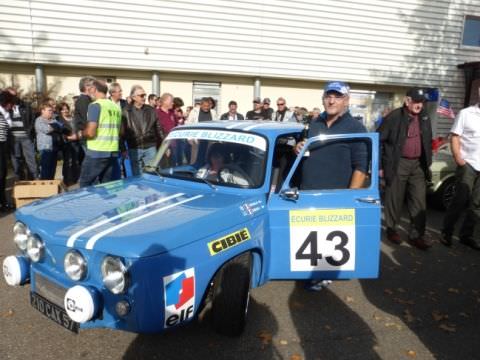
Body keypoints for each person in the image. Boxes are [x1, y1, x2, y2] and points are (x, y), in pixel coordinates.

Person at [295, 81, 369, 291]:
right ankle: (310, 272)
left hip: (335, 197)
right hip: (308, 192)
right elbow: (304, 149)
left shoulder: (355, 127)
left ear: (346, 101)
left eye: (337, 96)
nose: (331, 100)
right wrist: (298, 148)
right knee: (309, 237)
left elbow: (361, 168)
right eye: (328, 96)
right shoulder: (314, 123)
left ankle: (322, 276)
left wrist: (349, 199)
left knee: (328, 240)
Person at [378, 87, 433, 250]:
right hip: (398, 162)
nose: (419, 105)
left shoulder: (424, 116)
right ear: (407, 101)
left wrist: (428, 160)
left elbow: (427, 140)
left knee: (419, 201)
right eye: (416, 101)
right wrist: (381, 166)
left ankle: (417, 235)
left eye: (422, 102)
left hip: (418, 164)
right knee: (394, 198)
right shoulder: (394, 117)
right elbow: (378, 141)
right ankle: (392, 229)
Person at [440, 95, 480, 250]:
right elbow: (455, 137)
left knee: (477, 204)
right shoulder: (466, 113)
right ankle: (446, 233)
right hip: (468, 163)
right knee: (460, 200)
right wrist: (459, 158)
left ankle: (466, 235)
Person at [70, 80, 122, 187]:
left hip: (97, 152)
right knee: (106, 186)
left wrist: (79, 134)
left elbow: (90, 132)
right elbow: (122, 131)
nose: (89, 92)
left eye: (90, 89)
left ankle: (89, 204)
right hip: (112, 152)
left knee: (85, 185)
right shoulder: (115, 107)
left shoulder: (95, 105)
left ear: (94, 89)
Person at [121, 85, 163, 176]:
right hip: (134, 147)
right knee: (137, 176)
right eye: (141, 95)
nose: (144, 97)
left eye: (145, 95)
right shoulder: (125, 111)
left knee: (153, 174)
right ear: (133, 97)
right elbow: (122, 131)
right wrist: (123, 148)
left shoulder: (151, 110)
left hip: (150, 147)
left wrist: (163, 145)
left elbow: (158, 128)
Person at [6, 87, 38, 180]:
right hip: (13, 139)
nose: (14, 97)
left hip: (26, 137)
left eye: (15, 95)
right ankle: (20, 181)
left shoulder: (26, 105)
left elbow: (33, 119)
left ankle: (33, 180)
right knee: (16, 160)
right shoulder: (5, 107)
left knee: (31, 160)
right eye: (11, 95)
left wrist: (29, 130)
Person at [72, 76, 96, 166]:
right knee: (92, 163)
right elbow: (88, 120)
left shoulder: (88, 100)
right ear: (87, 87)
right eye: (93, 86)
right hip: (87, 136)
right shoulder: (83, 100)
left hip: (89, 135)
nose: (95, 89)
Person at [35, 103, 62, 180]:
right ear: (42, 111)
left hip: (54, 148)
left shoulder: (53, 120)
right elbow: (47, 130)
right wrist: (55, 126)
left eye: (52, 110)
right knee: (45, 170)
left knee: (52, 170)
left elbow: (61, 127)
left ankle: (51, 187)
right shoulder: (39, 120)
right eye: (49, 110)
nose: (51, 112)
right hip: (45, 149)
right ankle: (44, 189)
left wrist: (54, 126)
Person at [0, 91, 15, 211]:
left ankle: (3, 202)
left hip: (3, 146)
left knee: (3, 174)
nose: (12, 105)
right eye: (11, 103)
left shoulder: (5, 113)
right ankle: (2, 203)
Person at [57, 102, 78, 186]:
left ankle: (75, 178)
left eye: (66, 109)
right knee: (67, 162)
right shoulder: (59, 120)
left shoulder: (73, 118)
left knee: (75, 161)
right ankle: (66, 180)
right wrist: (68, 137)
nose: (65, 111)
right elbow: (60, 132)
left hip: (76, 142)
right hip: (66, 143)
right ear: (60, 111)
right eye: (63, 109)